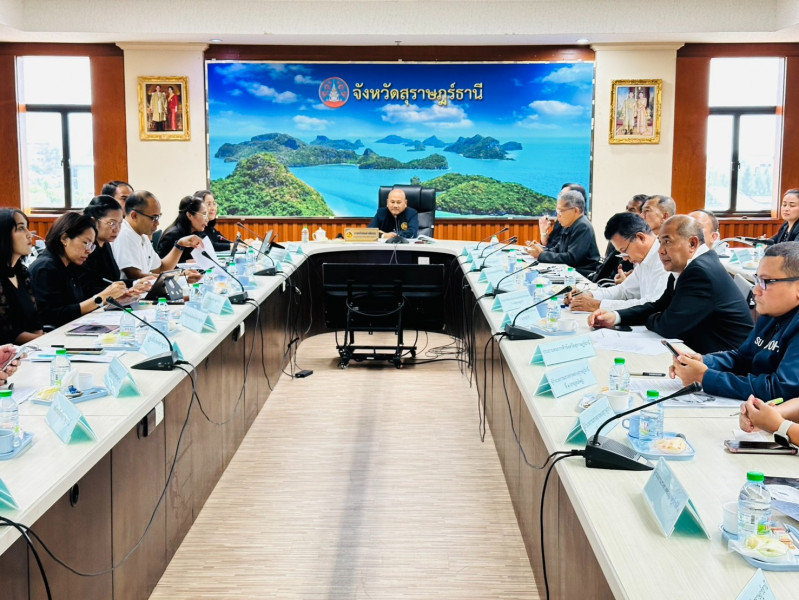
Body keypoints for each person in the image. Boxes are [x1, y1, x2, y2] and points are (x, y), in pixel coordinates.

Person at [589, 215, 753, 354]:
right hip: (702, 351)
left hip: (726, 362)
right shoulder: (686, 267)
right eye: (660, 242)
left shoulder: (700, 272)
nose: (661, 250)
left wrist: (655, 317)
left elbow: (669, 326)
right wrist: (616, 316)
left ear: (692, 244)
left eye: (667, 242)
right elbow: (658, 306)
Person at [671, 242, 799, 401]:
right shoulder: (772, 312)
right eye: (757, 279)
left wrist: (704, 377)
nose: (756, 290)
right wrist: (704, 361)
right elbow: (743, 358)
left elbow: (781, 389)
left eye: (766, 282)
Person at [29, 212, 127, 327]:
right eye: (86, 243)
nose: (89, 250)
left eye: (92, 245)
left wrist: (115, 296)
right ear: (64, 238)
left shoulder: (70, 265)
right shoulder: (45, 267)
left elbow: (80, 301)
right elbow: (51, 316)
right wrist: (101, 298)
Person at [567, 212, 669, 312]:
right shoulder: (644, 260)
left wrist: (598, 305)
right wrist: (590, 294)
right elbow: (624, 291)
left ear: (640, 237)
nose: (624, 258)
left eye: (624, 250)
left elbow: (652, 304)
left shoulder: (664, 260)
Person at [112, 191, 203, 281]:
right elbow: (136, 276)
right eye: (154, 218)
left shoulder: (142, 236)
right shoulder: (124, 233)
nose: (157, 223)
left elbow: (161, 269)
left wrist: (180, 245)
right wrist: (179, 276)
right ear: (134, 216)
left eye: (159, 217)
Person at [80, 196, 152, 299]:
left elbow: (112, 282)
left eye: (120, 224)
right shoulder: (85, 249)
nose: (117, 229)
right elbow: (87, 289)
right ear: (94, 221)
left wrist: (136, 283)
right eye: (112, 223)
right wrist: (125, 290)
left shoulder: (105, 244)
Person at [526, 189, 600, 276]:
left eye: (561, 211)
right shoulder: (569, 225)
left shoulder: (582, 226)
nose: (558, 216)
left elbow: (572, 259)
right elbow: (557, 249)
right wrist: (540, 249)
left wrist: (541, 255)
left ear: (576, 210)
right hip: (568, 271)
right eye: (557, 211)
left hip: (581, 273)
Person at [0, 209, 42, 344]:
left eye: (27, 228)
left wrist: (42, 338)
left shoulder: (22, 273)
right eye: (21, 228)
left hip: (32, 349)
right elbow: (7, 333)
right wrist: (47, 340)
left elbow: (36, 321)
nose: (29, 234)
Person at [157, 196, 209, 262]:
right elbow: (160, 265)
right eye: (204, 214)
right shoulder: (171, 236)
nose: (207, 219)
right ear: (189, 215)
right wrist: (186, 263)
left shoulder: (196, 234)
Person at [538, 183, 587, 250]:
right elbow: (550, 246)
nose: (560, 199)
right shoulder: (561, 219)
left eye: (564, 196)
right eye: (560, 195)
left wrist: (541, 253)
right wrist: (543, 231)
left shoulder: (581, 225)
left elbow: (567, 254)